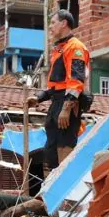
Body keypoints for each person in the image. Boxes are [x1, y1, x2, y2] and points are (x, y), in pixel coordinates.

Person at [26, 10, 90, 177]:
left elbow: (76, 81)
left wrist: (66, 108)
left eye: (53, 22)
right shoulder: (59, 49)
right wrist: (39, 98)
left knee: (64, 148)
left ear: (64, 23)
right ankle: (49, 193)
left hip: (68, 104)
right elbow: (56, 85)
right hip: (56, 103)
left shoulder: (75, 47)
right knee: (51, 151)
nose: (50, 27)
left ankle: (65, 193)